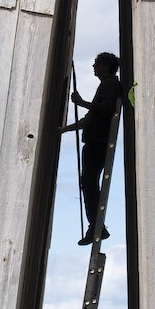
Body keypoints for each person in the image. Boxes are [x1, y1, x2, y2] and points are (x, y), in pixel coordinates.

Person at [61, 52, 121, 246]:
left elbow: (106, 109)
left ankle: (96, 226)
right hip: (95, 143)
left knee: (88, 184)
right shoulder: (106, 85)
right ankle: (96, 225)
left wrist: (82, 103)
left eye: (97, 64)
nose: (93, 67)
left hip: (98, 144)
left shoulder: (110, 85)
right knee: (88, 184)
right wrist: (64, 130)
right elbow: (91, 118)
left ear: (105, 65)